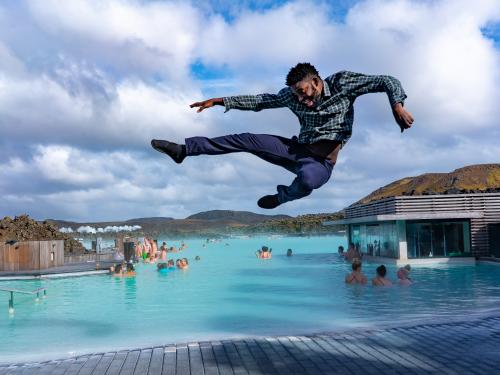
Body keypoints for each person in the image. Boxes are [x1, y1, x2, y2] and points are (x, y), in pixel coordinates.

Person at [151, 63, 413, 209]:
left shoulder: (343, 83)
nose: (300, 98)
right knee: (246, 139)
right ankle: (184, 150)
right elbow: (261, 101)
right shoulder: (291, 95)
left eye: (303, 91)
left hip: (320, 164)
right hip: (295, 148)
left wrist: (397, 105)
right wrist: (220, 101)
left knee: (307, 180)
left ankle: (281, 198)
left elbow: (386, 80)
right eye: (296, 94)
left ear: (316, 81)